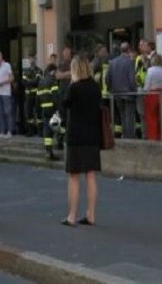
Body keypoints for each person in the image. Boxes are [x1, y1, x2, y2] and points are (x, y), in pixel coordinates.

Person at [61, 56, 102, 227]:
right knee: (91, 176)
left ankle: (72, 215)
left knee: (74, 176)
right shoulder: (95, 87)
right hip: (93, 135)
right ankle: (91, 214)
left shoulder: (74, 88)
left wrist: (72, 83)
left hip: (76, 136)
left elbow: (64, 105)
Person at [106, 42, 138, 139]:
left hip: (117, 93)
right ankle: (130, 136)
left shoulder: (113, 62)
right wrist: (135, 91)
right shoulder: (130, 62)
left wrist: (112, 89)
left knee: (122, 115)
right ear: (129, 50)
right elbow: (132, 80)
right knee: (129, 116)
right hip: (128, 93)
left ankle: (125, 135)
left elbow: (107, 79)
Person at [143, 54, 162, 141]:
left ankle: (154, 136)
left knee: (152, 118)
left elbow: (147, 85)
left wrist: (145, 91)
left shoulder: (150, 70)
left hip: (153, 95)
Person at [37, 63, 60, 161]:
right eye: (56, 72)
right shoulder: (53, 81)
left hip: (44, 109)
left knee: (47, 131)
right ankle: (59, 145)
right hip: (52, 109)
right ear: (53, 71)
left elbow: (37, 97)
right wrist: (58, 108)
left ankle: (48, 151)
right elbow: (55, 97)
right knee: (56, 129)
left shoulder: (41, 82)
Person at [0, 51, 14, 138]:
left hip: (5, 93)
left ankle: (9, 131)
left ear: (0, 58)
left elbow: (12, 78)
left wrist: (3, 82)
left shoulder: (7, 65)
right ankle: (2, 131)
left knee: (7, 112)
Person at [22, 53, 43, 137]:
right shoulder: (25, 70)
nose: (31, 60)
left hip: (36, 95)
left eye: (33, 58)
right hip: (28, 95)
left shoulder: (39, 70)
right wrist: (32, 81)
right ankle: (30, 131)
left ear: (35, 59)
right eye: (30, 59)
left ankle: (40, 131)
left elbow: (37, 81)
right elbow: (24, 82)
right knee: (29, 114)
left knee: (38, 113)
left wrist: (29, 81)